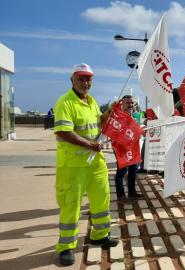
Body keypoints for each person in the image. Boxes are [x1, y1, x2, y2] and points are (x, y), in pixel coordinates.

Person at [53, 63, 118, 266]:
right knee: (71, 206)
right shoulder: (65, 102)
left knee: (101, 200)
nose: (85, 82)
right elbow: (63, 132)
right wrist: (90, 144)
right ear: (72, 79)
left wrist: (109, 113)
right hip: (73, 165)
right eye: (81, 78)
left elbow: (99, 123)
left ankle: (99, 235)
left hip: (95, 163)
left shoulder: (91, 101)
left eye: (89, 78)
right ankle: (66, 247)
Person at [114, 95, 143, 204]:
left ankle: (132, 192)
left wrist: (141, 131)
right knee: (122, 172)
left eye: (132, 103)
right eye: (128, 103)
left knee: (133, 170)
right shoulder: (117, 116)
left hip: (134, 147)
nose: (130, 105)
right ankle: (120, 196)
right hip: (122, 147)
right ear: (122, 104)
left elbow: (137, 129)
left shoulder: (136, 115)